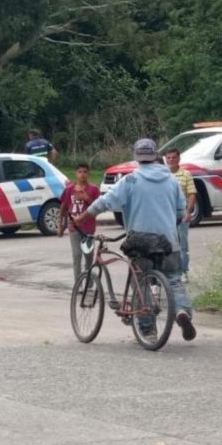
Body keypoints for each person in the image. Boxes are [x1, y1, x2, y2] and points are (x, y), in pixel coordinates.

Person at [73, 138, 196, 341]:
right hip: (169, 242)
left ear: (137, 157)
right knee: (173, 279)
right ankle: (182, 312)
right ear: (157, 155)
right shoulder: (172, 180)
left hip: (140, 242)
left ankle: (148, 329)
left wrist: (82, 216)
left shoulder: (131, 180)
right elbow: (181, 212)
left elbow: (105, 202)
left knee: (141, 281)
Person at [58, 163, 101, 280]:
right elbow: (63, 208)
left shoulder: (94, 189)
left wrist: (86, 198)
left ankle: (89, 281)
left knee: (88, 256)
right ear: (76, 174)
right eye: (80, 172)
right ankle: (78, 283)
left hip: (88, 228)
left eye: (85, 172)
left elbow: (98, 207)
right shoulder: (69, 190)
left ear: (89, 174)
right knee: (77, 256)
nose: (82, 174)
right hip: (74, 227)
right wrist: (60, 226)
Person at [164, 147, 197, 282]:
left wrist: (188, 212)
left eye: (174, 157)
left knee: (182, 244)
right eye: (169, 158)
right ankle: (170, 271)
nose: (171, 160)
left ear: (179, 159)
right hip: (166, 214)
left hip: (181, 212)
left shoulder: (186, 174)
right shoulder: (163, 175)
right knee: (167, 244)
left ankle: (184, 271)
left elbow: (191, 193)